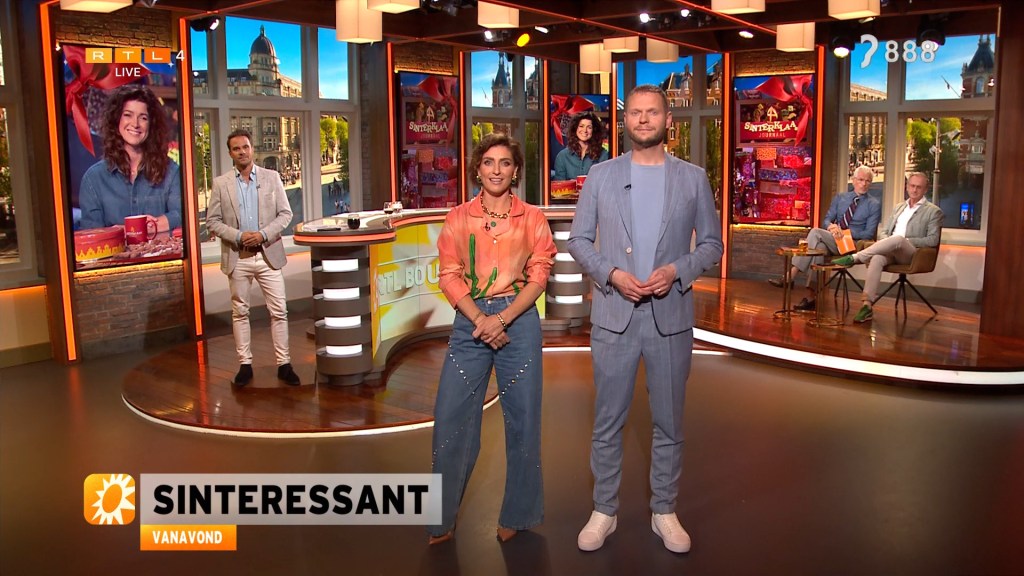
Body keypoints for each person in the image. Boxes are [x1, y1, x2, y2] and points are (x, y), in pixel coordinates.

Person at [567, 85, 723, 554]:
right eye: (635, 112)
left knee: (669, 423)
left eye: (652, 112)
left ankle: (664, 510)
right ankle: (604, 510)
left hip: (669, 318)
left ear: (667, 120)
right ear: (625, 120)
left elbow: (711, 245)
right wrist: (612, 274)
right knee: (607, 421)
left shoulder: (693, 178)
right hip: (613, 316)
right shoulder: (601, 175)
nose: (643, 119)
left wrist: (677, 270)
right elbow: (579, 241)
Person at [428, 133, 556, 545]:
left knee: (523, 422)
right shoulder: (458, 217)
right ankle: (441, 519)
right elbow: (449, 275)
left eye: (505, 163)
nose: (496, 170)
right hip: (471, 321)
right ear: (477, 169)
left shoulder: (532, 218)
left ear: (516, 170)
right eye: (488, 162)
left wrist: (502, 319)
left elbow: (539, 275)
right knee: (450, 420)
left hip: (518, 321)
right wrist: (482, 319)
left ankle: (519, 513)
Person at [206, 129, 300, 386]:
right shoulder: (221, 184)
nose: (242, 152)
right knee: (240, 312)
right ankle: (245, 365)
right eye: (236, 148)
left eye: (245, 147)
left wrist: (262, 234)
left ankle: (284, 364)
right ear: (230, 153)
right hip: (238, 258)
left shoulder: (272, 177)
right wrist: (238, 236)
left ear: (252, 149)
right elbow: (212, 221)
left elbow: (285, 214)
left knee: (279, 311)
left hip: (268, 256)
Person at [832, 171, 943, 323]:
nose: (914, 190)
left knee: (898, 239)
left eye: (919, 187)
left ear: (925, 189)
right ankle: (867, 306)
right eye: (912, 186)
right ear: (907, 187)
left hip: (911, 254)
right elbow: (884, 232)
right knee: (877, 258)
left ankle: (855, 258)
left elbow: (932, 240)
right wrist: (888, 241)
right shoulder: (899, 208)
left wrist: (905, 240)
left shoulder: (933, 211)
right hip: (891, 249)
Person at [769, 164, 882, 311]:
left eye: (867, 181)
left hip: (853, 245)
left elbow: (868, 233)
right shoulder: (840, 198)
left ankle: (791, 275)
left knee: (815, 232)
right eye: (861, 180)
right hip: (835, 240)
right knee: (819, 248)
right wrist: (831, 227)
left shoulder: (874, 204)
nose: (864, 184)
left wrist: (844, 232)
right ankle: (811, 298)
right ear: (853, 180)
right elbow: (827, 220)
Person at [78, 84, 181, 232]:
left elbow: (180, 215)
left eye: (143, 118)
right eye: (128, 115)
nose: (135, 124)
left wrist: (144, 227)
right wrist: (135, 230)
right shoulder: (93, 179)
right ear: (116, 120)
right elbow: (92, 232)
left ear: (151, 125)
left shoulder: (171, 172)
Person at [553, 111, 609, 181]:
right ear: (575, 128)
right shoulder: (562, 157)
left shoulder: (603, 155)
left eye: (589, 127)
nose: (585, 130)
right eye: (581, 126)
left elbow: (605, 183)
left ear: (594, 130)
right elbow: (560, 184)